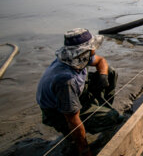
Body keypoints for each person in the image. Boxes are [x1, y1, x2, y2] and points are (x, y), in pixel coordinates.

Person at [36, 28, 123, 156]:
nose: (94, 49)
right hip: (58, 113)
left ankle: (102, 108)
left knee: (110, 72)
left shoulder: (80, 58)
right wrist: (84, 150)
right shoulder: (66, 80)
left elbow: (100, 61)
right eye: (92, 46)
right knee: (113, 118)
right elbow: (73, 120)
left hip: (77, 94)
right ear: (83, 51)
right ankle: (78, 134)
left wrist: (103, 75)